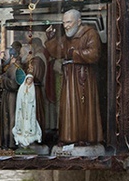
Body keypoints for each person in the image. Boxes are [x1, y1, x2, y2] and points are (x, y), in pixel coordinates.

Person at [44, 9, 104, 145]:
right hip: (69, 78)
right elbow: (58, 51)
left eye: (69, 22)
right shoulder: (67, 38)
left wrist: (75, 54)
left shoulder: (90, 34)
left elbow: (94, 54)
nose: (66, 26)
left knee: (83, 109)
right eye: (64, 23)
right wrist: (51, 39)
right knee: (68, 107)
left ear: (79, 21)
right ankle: (69, 138)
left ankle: (84, 138)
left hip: (83, 79)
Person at [12, 74, 42, 147]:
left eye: (31, 80)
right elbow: (20, 98)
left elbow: (32, 99)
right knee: (21, 122)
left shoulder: (32, 88)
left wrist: (28, 95)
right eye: (28, 79)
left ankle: (30, 137)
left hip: (29, 109)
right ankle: (21, 137)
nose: (29, 81)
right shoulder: (22, 87)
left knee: (30, 122)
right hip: (22, 107)